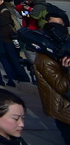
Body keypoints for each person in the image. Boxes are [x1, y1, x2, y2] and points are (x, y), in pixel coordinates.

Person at [31, 13, 70, 143]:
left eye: (59, 25)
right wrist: (67, 70)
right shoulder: (45, 59)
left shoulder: (63, 48)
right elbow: (63, 87)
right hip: (63, 109)